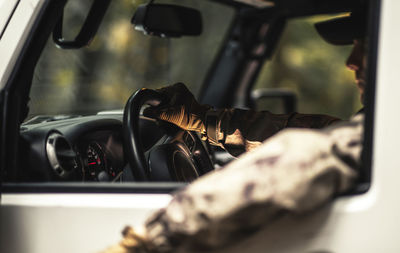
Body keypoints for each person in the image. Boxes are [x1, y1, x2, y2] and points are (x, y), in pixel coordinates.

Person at [102, 9, 367, 253]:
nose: (351, 62)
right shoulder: (376, 124)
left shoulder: (373, 137)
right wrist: (201, 119)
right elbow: (318, 134)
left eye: (367, 45)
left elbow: (308, 154)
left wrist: (148, 240)